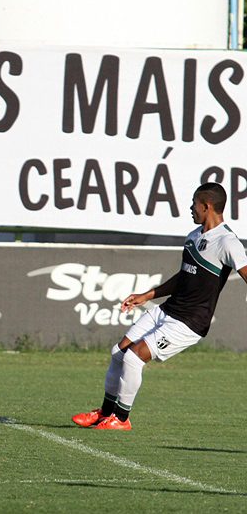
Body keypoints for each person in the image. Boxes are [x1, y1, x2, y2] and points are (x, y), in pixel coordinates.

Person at [72, 182, 247, 430]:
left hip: (189, 322)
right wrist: (147, 295)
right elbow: (184, 277)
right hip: (167, 310)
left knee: (134, 358)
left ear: (206, 206)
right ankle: (105, 413)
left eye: (194, 203)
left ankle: (121, 419)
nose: (191, 207)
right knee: (118, 353)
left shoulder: (228, 242)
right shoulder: (194, 236)